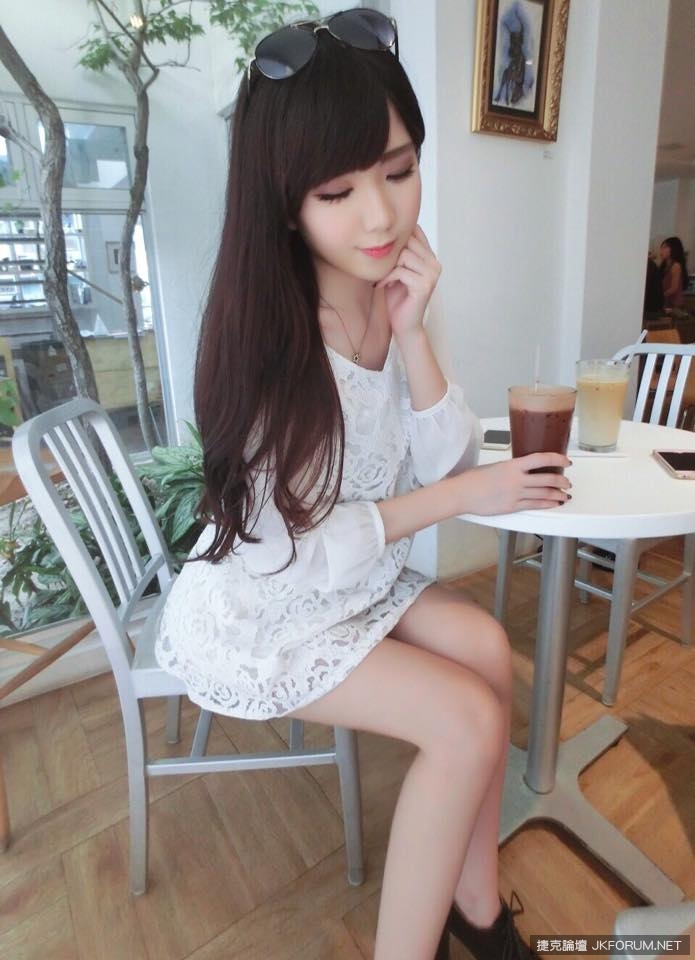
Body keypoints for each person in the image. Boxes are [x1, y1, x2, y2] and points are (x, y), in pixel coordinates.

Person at [155, 10, 571, 960]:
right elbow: (299, 548)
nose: (381, 216)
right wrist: (464, 500)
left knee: (487, 647)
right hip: (272, 605)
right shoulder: (274, 337)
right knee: (465, 723)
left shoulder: (391, 286)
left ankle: (475, 906)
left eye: (397, 169)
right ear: (283, 203)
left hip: (358, 580)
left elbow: (442, 458)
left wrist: (413, 332)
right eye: (337, 191)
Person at [660, 236, 688, 309]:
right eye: (661, 248)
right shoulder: (664, 266)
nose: (661, 250)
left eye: (664, 247)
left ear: (674, 249)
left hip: (674, 306)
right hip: (666, 303)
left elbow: (673, 289)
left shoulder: (676, 266)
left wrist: (659, 296)